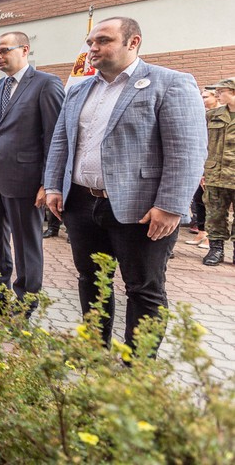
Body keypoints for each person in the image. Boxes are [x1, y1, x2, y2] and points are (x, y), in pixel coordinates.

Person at [45, 17, 206, 351]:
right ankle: (94, 350)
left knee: (142, 288)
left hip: (142, 209)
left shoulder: (170, 83)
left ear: (133, 42)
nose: (92, 49)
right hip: (82, 204)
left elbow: (187, 150)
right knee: (91, 280)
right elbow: (61, 141)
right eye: (90, 42)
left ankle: (137, 370)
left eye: (103, 41)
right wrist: (53, 186)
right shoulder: (78, 89)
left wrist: (171, 206)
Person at [0, 32, 64, 312]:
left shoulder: (46, 84)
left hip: (26, 180)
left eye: (3, 51)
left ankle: (26, 304)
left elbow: (55, 138)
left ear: (25, 50)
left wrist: (48, 182)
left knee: (26, 245)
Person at [201, 78, 235, 266]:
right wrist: (201, 171)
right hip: (216, 173)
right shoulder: (212, 116)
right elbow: (201, 143)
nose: (218, 95)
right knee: (215, 213)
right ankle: (216, 250)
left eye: (222, 91)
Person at [186, 89, 221, 249]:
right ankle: (202, 233)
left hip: (218, 169)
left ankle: (211, 239)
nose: (203, 99)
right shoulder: (205, 116)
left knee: (212, 203)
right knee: (199, 200)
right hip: (204, 165)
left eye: (206, 97)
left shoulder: (219, 117)